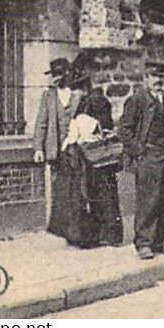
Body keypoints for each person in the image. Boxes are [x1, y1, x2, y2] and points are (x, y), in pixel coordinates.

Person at [118, 61, 164, 259]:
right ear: (146, 78)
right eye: (155, 77)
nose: (159, 82)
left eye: (162, 78)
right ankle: (143, 243)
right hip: (148, 157)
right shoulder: (136, 100)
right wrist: (139, 151)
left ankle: (158, 241)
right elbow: (124, 129)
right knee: (148, 200)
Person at [48, 75, 123, 249]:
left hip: (93, 156)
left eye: (76, 89)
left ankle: (101, 235)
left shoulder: (93, 102)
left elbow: (99, 128)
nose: (73, 93)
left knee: (97, 195)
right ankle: (107, 235)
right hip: (94, 157)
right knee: (102, 195)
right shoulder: (93, 101)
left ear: (84, 88)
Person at [33, 58, 84, 228]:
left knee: (77, 189)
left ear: (67, 74)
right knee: (59, 189)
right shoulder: (48, 96)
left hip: (76, 149)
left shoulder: (78, 95)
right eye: (53, 75)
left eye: (57, 75)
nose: (54, 79)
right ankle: (61, 226)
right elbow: (41, 123)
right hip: (56, 150)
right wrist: (38, 148)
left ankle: (76, 227)